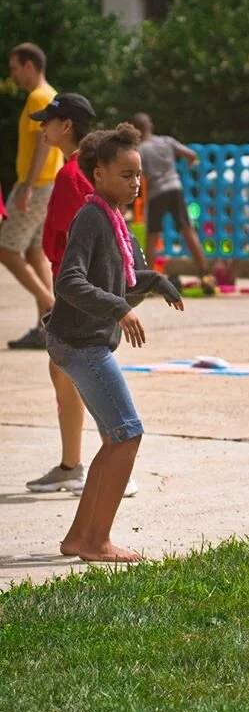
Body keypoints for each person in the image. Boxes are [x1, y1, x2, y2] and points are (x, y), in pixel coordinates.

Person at [44, 122, 184, 562]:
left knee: (115, 437)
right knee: (127, 433)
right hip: (80, 344)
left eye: (138, 174)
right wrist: (119, 308)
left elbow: (117, 277)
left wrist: (155, 281)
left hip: (84, 341)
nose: (136, 182)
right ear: (98, 174)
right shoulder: (91, 217)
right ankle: (97, 542)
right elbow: (69, 281)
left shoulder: (111, 217)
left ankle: (78, 538)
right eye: (126, 175)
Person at [24, 93, 136, 498]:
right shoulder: (74, 172)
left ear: (66, 125)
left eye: (48, 121)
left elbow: (85, 244)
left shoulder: (73, 177)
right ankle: (73, 465)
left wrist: (91, 299)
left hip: (80, 300)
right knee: (63, 373)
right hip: (82, 296)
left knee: (81, 375)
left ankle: (108, 466)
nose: (42, 127)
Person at [0, 43, 63, 349]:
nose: (12, 74)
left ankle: (52, 306)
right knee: (34, 252)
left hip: (36, 185)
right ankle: (46, 329)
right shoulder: (48, 95)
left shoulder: (39, 96)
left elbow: (44, 144)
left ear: (29, 66)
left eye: (14, 68)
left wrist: (27, 186)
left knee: (5, 249)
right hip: (45, 185)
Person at [129, 112, 218, 294]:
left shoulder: (141, 150)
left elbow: (139, 173)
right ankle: (205, 274)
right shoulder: (167, 141)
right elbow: (191, 155)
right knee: (188, 231)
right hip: (175, 188)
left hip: (156, 193)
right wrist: (186, 166)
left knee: (152, 236)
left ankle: (148, 283)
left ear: (136, 130)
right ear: (150, 127)